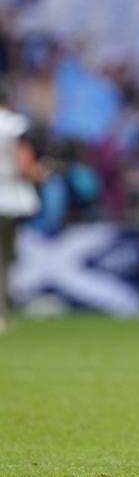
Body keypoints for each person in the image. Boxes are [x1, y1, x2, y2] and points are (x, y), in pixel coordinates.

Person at [0, 86, 42, 335]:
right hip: (10, 197)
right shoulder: (15, 124)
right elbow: (24, 163)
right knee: (4, 258)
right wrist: (40, 174)